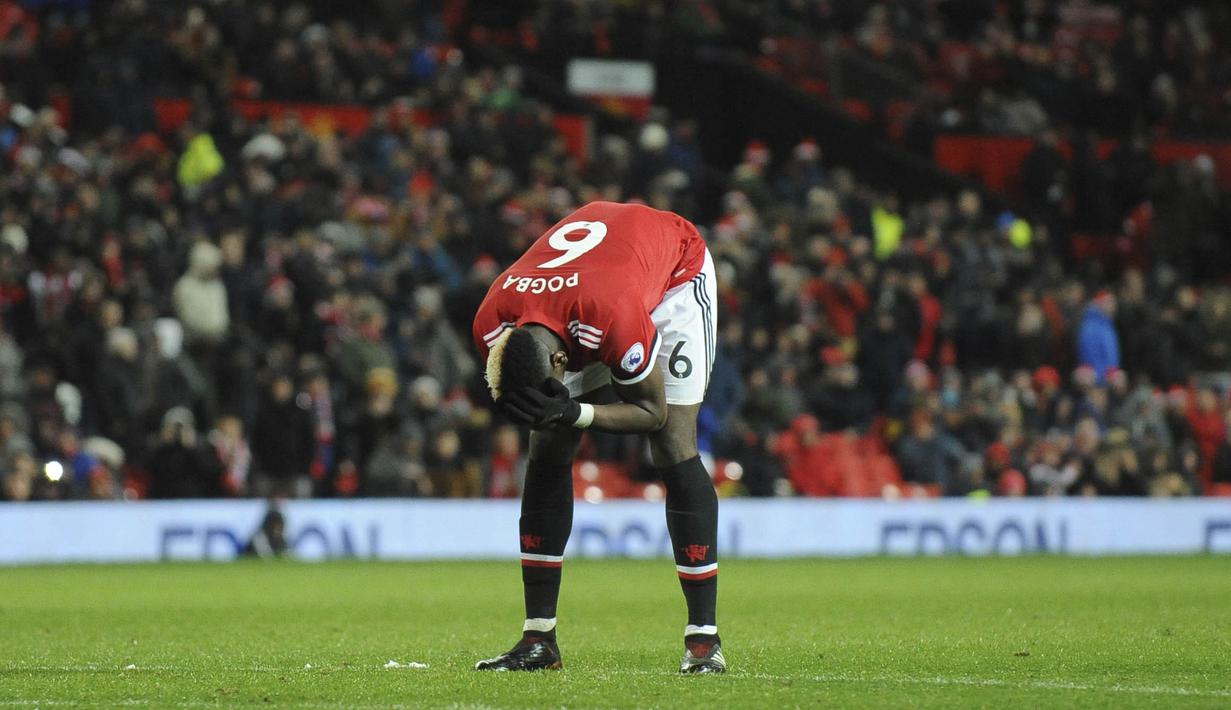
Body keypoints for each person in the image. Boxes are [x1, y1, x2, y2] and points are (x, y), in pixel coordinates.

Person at [471, 201, 724, 674]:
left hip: (673, 278)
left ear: (561, 364)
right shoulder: (492, 321)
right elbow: (517, 383)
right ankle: (538, 638)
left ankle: (704, 641)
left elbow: (651, 411)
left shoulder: (610, 315)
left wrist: (574, 410)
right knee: (545, 445)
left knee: (672, 443)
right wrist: (550, 414)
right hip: (597, 284)